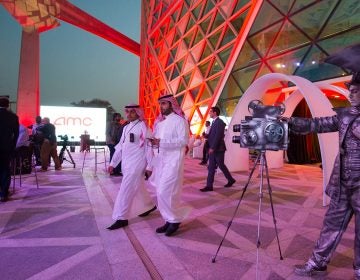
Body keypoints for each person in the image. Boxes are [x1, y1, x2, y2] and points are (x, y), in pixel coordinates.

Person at [291, 73, 360, 279]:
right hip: (342, 183)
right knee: (330, 225)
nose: (351, 94)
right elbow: (318, 124)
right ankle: (317, 264)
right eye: (350, 90)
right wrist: (289, 121)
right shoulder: (345, 115)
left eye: (356, 91)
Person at [107, 104, 156, 230]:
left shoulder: (144, 127)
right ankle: (148, 205)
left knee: (125, 189)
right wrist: (113, 163)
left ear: (138, 113)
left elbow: (149, 147)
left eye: (131, 112)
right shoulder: (126, 127)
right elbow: (120, 146)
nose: (128, 114)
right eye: (127, 112)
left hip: (137, 164)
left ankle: (121, 217)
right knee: (138, 186)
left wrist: (150, 166)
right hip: (127, 164)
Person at [148, 94, 191, 236]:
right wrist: (153, 143)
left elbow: (183, 141)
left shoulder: (180, 121)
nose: (161, 107)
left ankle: (175, 219)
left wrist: (161, 143)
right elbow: (157, 142)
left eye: (164, 103)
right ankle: (169, 219)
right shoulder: (160, 123)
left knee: (166, 191)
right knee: (160, 192)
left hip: (174, 161)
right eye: (160, 104)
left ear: (172, 105)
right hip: (161, 161)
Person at [200, 106, 235, 192]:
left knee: (220, 166)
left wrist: (212, 147)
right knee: (213, 166)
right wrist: (206, 135)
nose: (209, 113)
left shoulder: (220, 122)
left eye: (211, 112)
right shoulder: (214, 122)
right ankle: (209, 186)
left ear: (215, 113)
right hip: (215, 148)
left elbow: (218, 136)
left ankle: (230, 180)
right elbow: (213, 135)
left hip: (218, 149)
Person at [0, 97, 19, 202]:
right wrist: (13, 146)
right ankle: (4, 193)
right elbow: (16, 134)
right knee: (5, 170)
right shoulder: (13, 116)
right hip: (7, 147)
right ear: (8, 105)